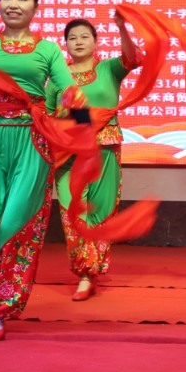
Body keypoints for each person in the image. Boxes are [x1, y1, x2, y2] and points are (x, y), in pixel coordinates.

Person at [0, 0, 81, 342]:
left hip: (32, 142)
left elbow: (68, 88)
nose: (13, 3)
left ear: (35, 7)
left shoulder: (48, 51)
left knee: (15, 226)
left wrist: (77, 110)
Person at [47, 16, 141, 302]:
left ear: (96, 41)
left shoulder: (109, 69)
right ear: (65, 44)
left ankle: (91, 272)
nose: (78, 42)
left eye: (84, 36)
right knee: (73, 213)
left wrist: (122, 27)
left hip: (104, 148)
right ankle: (85, 272)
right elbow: (47, 117)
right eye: (72, 37)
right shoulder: (57, 78)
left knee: (100, 213)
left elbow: (133, 58)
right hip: (69, 154)